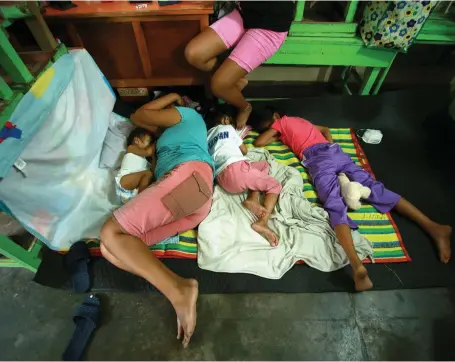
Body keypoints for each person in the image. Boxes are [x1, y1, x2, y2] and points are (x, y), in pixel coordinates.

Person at [251, 107, 452, 291]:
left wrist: (275, 133)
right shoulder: (301, 120)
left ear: (276, 117)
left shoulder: (281, 122)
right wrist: (329, 143)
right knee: (374, 189)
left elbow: (260, 142)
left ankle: (357, 266)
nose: (273, 131)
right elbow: (325, 128)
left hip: (318, 159)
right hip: (336, 152)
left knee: (334, 204)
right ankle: (433, 226)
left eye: (271, 127)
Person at [100, 93, 214, 348]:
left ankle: (179, 291)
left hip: (190, 180)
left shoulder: (188, 116)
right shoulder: (164, 141)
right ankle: (180, 287)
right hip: (191, 199)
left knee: (111, 232)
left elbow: (138, 115)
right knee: (113, 251)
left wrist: (172, 97)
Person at [185, 1, 295, 129]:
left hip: (270, 26)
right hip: (245, 14)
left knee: (218, 85)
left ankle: (244, 107)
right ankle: (234, 81)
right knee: (194, 54)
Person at [205, 105, 282, 246]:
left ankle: (252, 198)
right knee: (275, 185)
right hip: (237, 170)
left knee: (263, 165)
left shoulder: (207, 138)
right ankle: (263, 222)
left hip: (222, 178)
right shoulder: (228, 128)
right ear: (226, 119)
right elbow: (245, 151)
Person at [115, 128, 155, 204]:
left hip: (134, 191)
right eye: (149, 141)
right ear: (137, 141)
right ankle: (140, 202)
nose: (150, 144)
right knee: (148, 174)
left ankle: (135, 203)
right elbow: (148, 152)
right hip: (124, 180)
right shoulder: (131, 148)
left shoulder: (145, 159)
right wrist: (157, 142)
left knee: (151, 176)